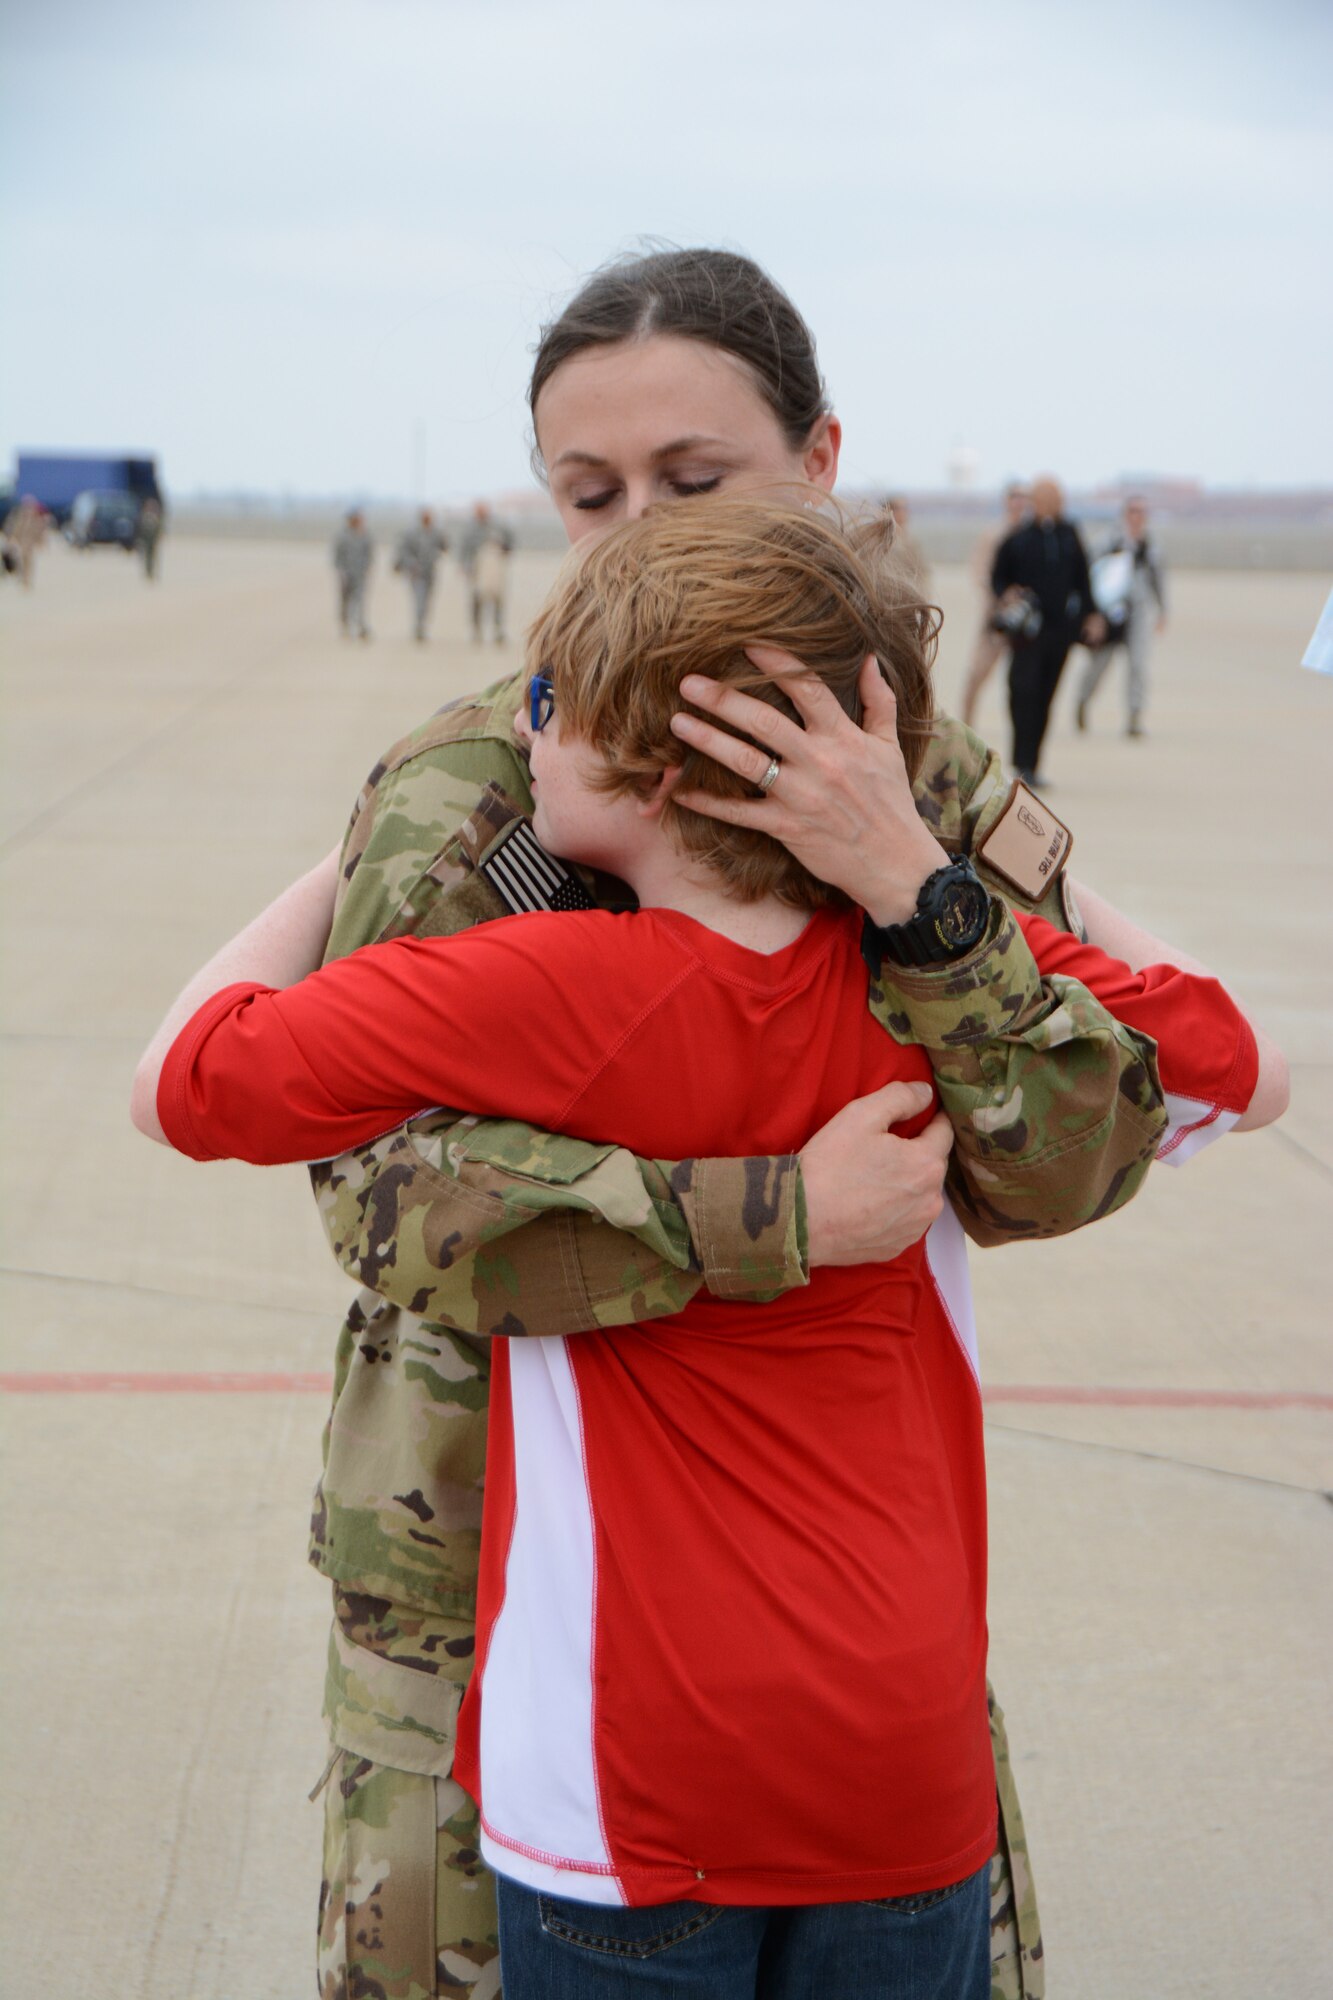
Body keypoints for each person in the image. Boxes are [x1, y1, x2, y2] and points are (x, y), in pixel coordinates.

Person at [150, 248, 1260, 2000]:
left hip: (827, 1600)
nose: (634, 530)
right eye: (588, 494)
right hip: (476, 1577)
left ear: (819, 467)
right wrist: (757, 1212)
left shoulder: (927, 783)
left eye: (694, 480)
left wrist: (911, 886)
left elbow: (1077, 1150)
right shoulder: (483, 782)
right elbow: (380, 1196)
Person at [990, 476, 1105, 785]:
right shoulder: (1019, 538)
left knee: (1045, 697)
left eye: (1055, 496)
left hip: (1060, 633)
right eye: (1043, 497)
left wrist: (1092, 615)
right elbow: (998, 578)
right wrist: (1008, 594)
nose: (1050, 502)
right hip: (1027, 634)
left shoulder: (1070, 535)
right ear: (1034, 502)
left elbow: (1084, 580)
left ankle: (1033, 766)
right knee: (1022, 693)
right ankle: (1020, 762)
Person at [1076, 496, 1168, 738]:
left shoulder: (1151, 547)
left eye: (1141, 512)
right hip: (1110, 614)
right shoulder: (1108, 541)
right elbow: (1086, 570)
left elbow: (1159, 581)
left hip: (1137, 613)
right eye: (1132, 511)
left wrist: (1162, 611)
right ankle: (1083, 700)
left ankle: (1134, 717)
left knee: (1138, 664)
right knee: (1100, 663)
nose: (1137, 517)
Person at [960, 483, 1029, 727]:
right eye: (1014, 497)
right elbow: (980, 571)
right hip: (996, 616)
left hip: (1026, 618)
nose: (1018, 503)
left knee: (1024, 679)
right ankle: (966, 722)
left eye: (1023, 498)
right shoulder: (994, 534)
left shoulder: (1030, 533)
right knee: (978, 672)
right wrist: (998, 600)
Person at [457, 499, 514, 642]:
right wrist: (464, 566)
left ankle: (498, 630)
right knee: (476, 601)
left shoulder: (498, 527)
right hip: (477, 571)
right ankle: (477, 630)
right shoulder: (470, 530)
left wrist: (503, 549)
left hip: (495, 571)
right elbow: (464, 549)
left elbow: (509, 543)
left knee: (498, 600)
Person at [394, 506, 449, 641]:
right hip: (416, 573)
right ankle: (419, 627)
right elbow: (403, 551)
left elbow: (445, 547)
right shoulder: (411, 533)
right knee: (419, 600)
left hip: (430, 572)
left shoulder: (436, 533)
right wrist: (410, 564)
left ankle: (422, 624)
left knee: (427, 601)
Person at [331, 508, 373, 640]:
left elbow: (369, 554)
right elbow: (337, 557)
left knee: (359, 601)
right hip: (346, 575)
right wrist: (341, 572)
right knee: (345, 602)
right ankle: (345, 625)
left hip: (360, 575)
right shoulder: (342, 536)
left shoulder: (364, 535)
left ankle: (360, 625)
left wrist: (367, 568)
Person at [883, 494, 929, 590]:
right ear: (888, 510)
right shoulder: (881, 540)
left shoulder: (910, 541)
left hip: (909, 592)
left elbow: (922, 572)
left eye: (905, 508)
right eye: (899, 508)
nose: (904, 512)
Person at [4, 496, 48, 587]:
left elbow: (39, 532)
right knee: (20, 560)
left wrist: (41, 541)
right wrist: (11, 538)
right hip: (20, 543)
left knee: (28, 561)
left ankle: (27, 579)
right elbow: (15, 529)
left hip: (29, 544)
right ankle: (22, 577)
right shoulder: (19, 518)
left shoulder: (36, 519)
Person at [136, 496, 165, 581]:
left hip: (153, 542)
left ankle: (152, 572)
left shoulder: (156, 519)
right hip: (146, 542)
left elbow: (159, 530)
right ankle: (148, 572)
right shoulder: (144, 517)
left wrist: (159, 537)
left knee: (153, 557)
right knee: (146, 557)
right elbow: (140, 529)